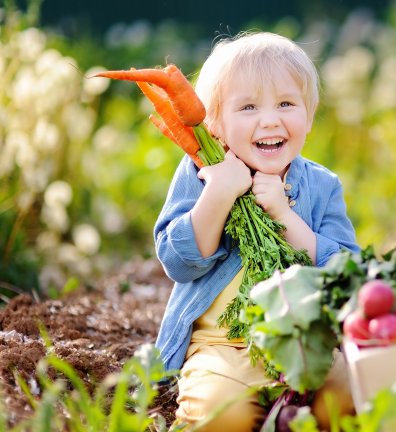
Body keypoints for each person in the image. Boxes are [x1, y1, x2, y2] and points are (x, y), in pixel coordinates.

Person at [153, 32, 359, 431]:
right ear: (215, 124)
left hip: (306, 344)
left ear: (309, 116)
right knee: (219, 413)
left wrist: (286, 216)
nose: (270, 119)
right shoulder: (201, 173)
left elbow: (346, 272)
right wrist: (219, 193)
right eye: (248, 107)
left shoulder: (321, 185)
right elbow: (178, 262)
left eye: (286, 103)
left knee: (352, 390)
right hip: (223, 347)